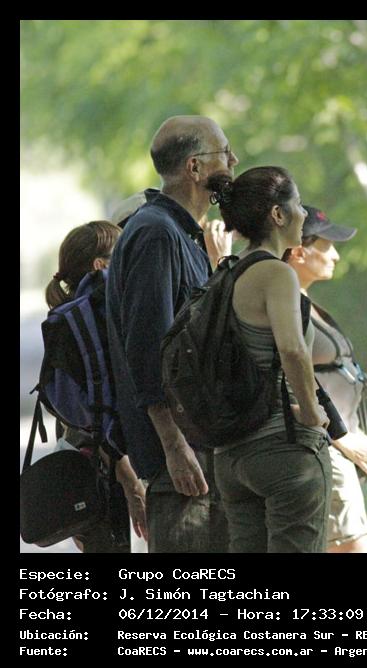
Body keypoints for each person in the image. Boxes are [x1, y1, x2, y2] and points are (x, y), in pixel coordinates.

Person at [105, 115, 238, 552]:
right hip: (181, 459)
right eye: (224, 153)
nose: (234, 161)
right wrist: (173, 445)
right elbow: (148, 348)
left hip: (201, 449)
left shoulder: (181, 233)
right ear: (194, 167)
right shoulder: (156, 234)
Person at [207, 168, 332, 553]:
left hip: (231, 457)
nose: (303, 214)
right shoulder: (276, 273)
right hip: (282, 448)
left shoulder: (224, 274)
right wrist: (311, 413)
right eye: (297, 205)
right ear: (278, 215)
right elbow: (292, 349)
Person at [287, 205, 367, 553]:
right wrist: (340, 437)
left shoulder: (306, 303)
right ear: (299, 251)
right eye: (327, 245)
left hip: (339, 446)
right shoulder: (285, 307)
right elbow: (290, 381)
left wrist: (357, 438)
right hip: (323, 447)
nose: (336, 255)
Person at [45, 221, 147, 552]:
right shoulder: (95, 322)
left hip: (84, 463)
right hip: (112, 463)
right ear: (100, 265)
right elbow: (98, 410)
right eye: (122, 254)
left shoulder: (68, 321)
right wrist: (130, 481)